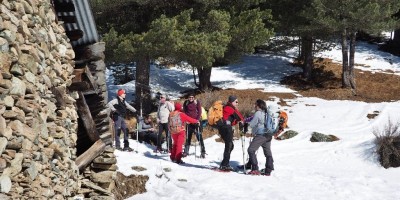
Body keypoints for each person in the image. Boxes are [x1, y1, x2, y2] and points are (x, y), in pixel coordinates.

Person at [246, 99, 274, 176]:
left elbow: (252, 124)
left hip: (261, 135)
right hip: (269, 135)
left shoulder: (258, 113)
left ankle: (255, 169)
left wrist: (246, 123)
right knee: (267, 152)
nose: (254, 106)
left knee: (251, 150)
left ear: (258, 105)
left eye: (255, 104)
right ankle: (268, 169)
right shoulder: (267, 113)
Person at [218, 95, 244, 171]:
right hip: (226, 129)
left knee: (230, 145)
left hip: (224, 128)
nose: (237, 103)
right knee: (229, 145)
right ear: (232, 101)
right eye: (236, 101)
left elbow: (231, 120)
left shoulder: (228, 107)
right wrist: (242, 121)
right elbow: (239, 117)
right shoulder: (229, 108)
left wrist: (237, 121)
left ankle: (224, 163)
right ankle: (225, 164)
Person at [182, 93, 206, 158]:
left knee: (199, 137)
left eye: (192, 97)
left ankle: (203, 152)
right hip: (189, 123)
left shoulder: (196, 102)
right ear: (188, 97)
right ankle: (186, 151)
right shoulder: (186, 103)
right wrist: (186, 120)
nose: (191, 98)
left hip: (196, 122)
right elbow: (184, 111)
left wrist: (197, 120)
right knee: (188, 137)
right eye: (190, 97)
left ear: (194, 97)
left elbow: (199, 111)